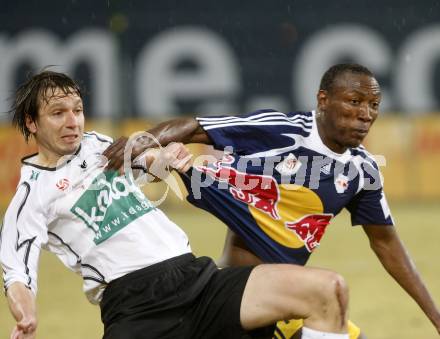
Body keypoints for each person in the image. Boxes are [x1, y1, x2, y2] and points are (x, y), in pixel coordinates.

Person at [0, 70, 354, 339]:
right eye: (58, 113)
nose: (72, 121)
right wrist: (25, 312)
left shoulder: (98, 146)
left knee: (327, 291)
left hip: (197, 280)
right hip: (137, 308)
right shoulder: (32, 196)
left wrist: (165, 159)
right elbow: (17, 270)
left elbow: (146, 169)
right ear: (31, 122)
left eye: (77, 110)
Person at [104, 63, 440, 338]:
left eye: (374, 105)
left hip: (289, 297)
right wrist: (141, 142)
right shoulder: (282, 131)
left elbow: (386, 244)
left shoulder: (363, 170)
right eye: (354, 101)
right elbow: (194, 126)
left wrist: (436, 317)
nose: (366, 113)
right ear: (323, 100)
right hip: (240, 296)